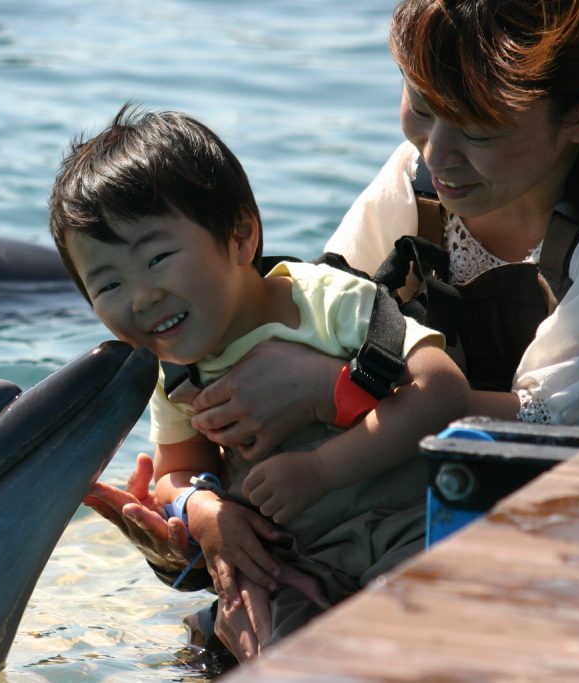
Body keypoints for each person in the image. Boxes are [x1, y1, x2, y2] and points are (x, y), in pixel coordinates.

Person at [83, 0, 579, 663]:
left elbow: (555, 428)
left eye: (482, 129)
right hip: (387, 511)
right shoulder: (418, 185)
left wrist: (337, 390)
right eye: (421, 105)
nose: (438, 152)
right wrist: (204, 520)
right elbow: (298, 322)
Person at [48, 105, 471, 659]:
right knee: (269, 647)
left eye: (157, 258)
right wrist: (206, 514)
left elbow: (442, 391)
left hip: (407, 529)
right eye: (106, 284)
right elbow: (176, 472)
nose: (140, 297)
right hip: (298, 560)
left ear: (241, 236)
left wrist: (322, 468)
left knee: (416, 634)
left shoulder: (323, 301)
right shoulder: (174, 372)